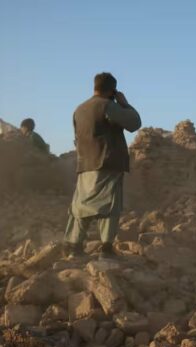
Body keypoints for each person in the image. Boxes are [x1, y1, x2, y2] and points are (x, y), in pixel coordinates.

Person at [63, 73, 141, 259]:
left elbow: (77, 137)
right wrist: (125, 103)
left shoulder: (79, 109)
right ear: (112, 90)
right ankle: (106, 248)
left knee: (81, 205)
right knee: (109, 204)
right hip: (107, 162)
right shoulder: (108, 106)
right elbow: (134, 123)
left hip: (85, 164)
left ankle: (73, 246)